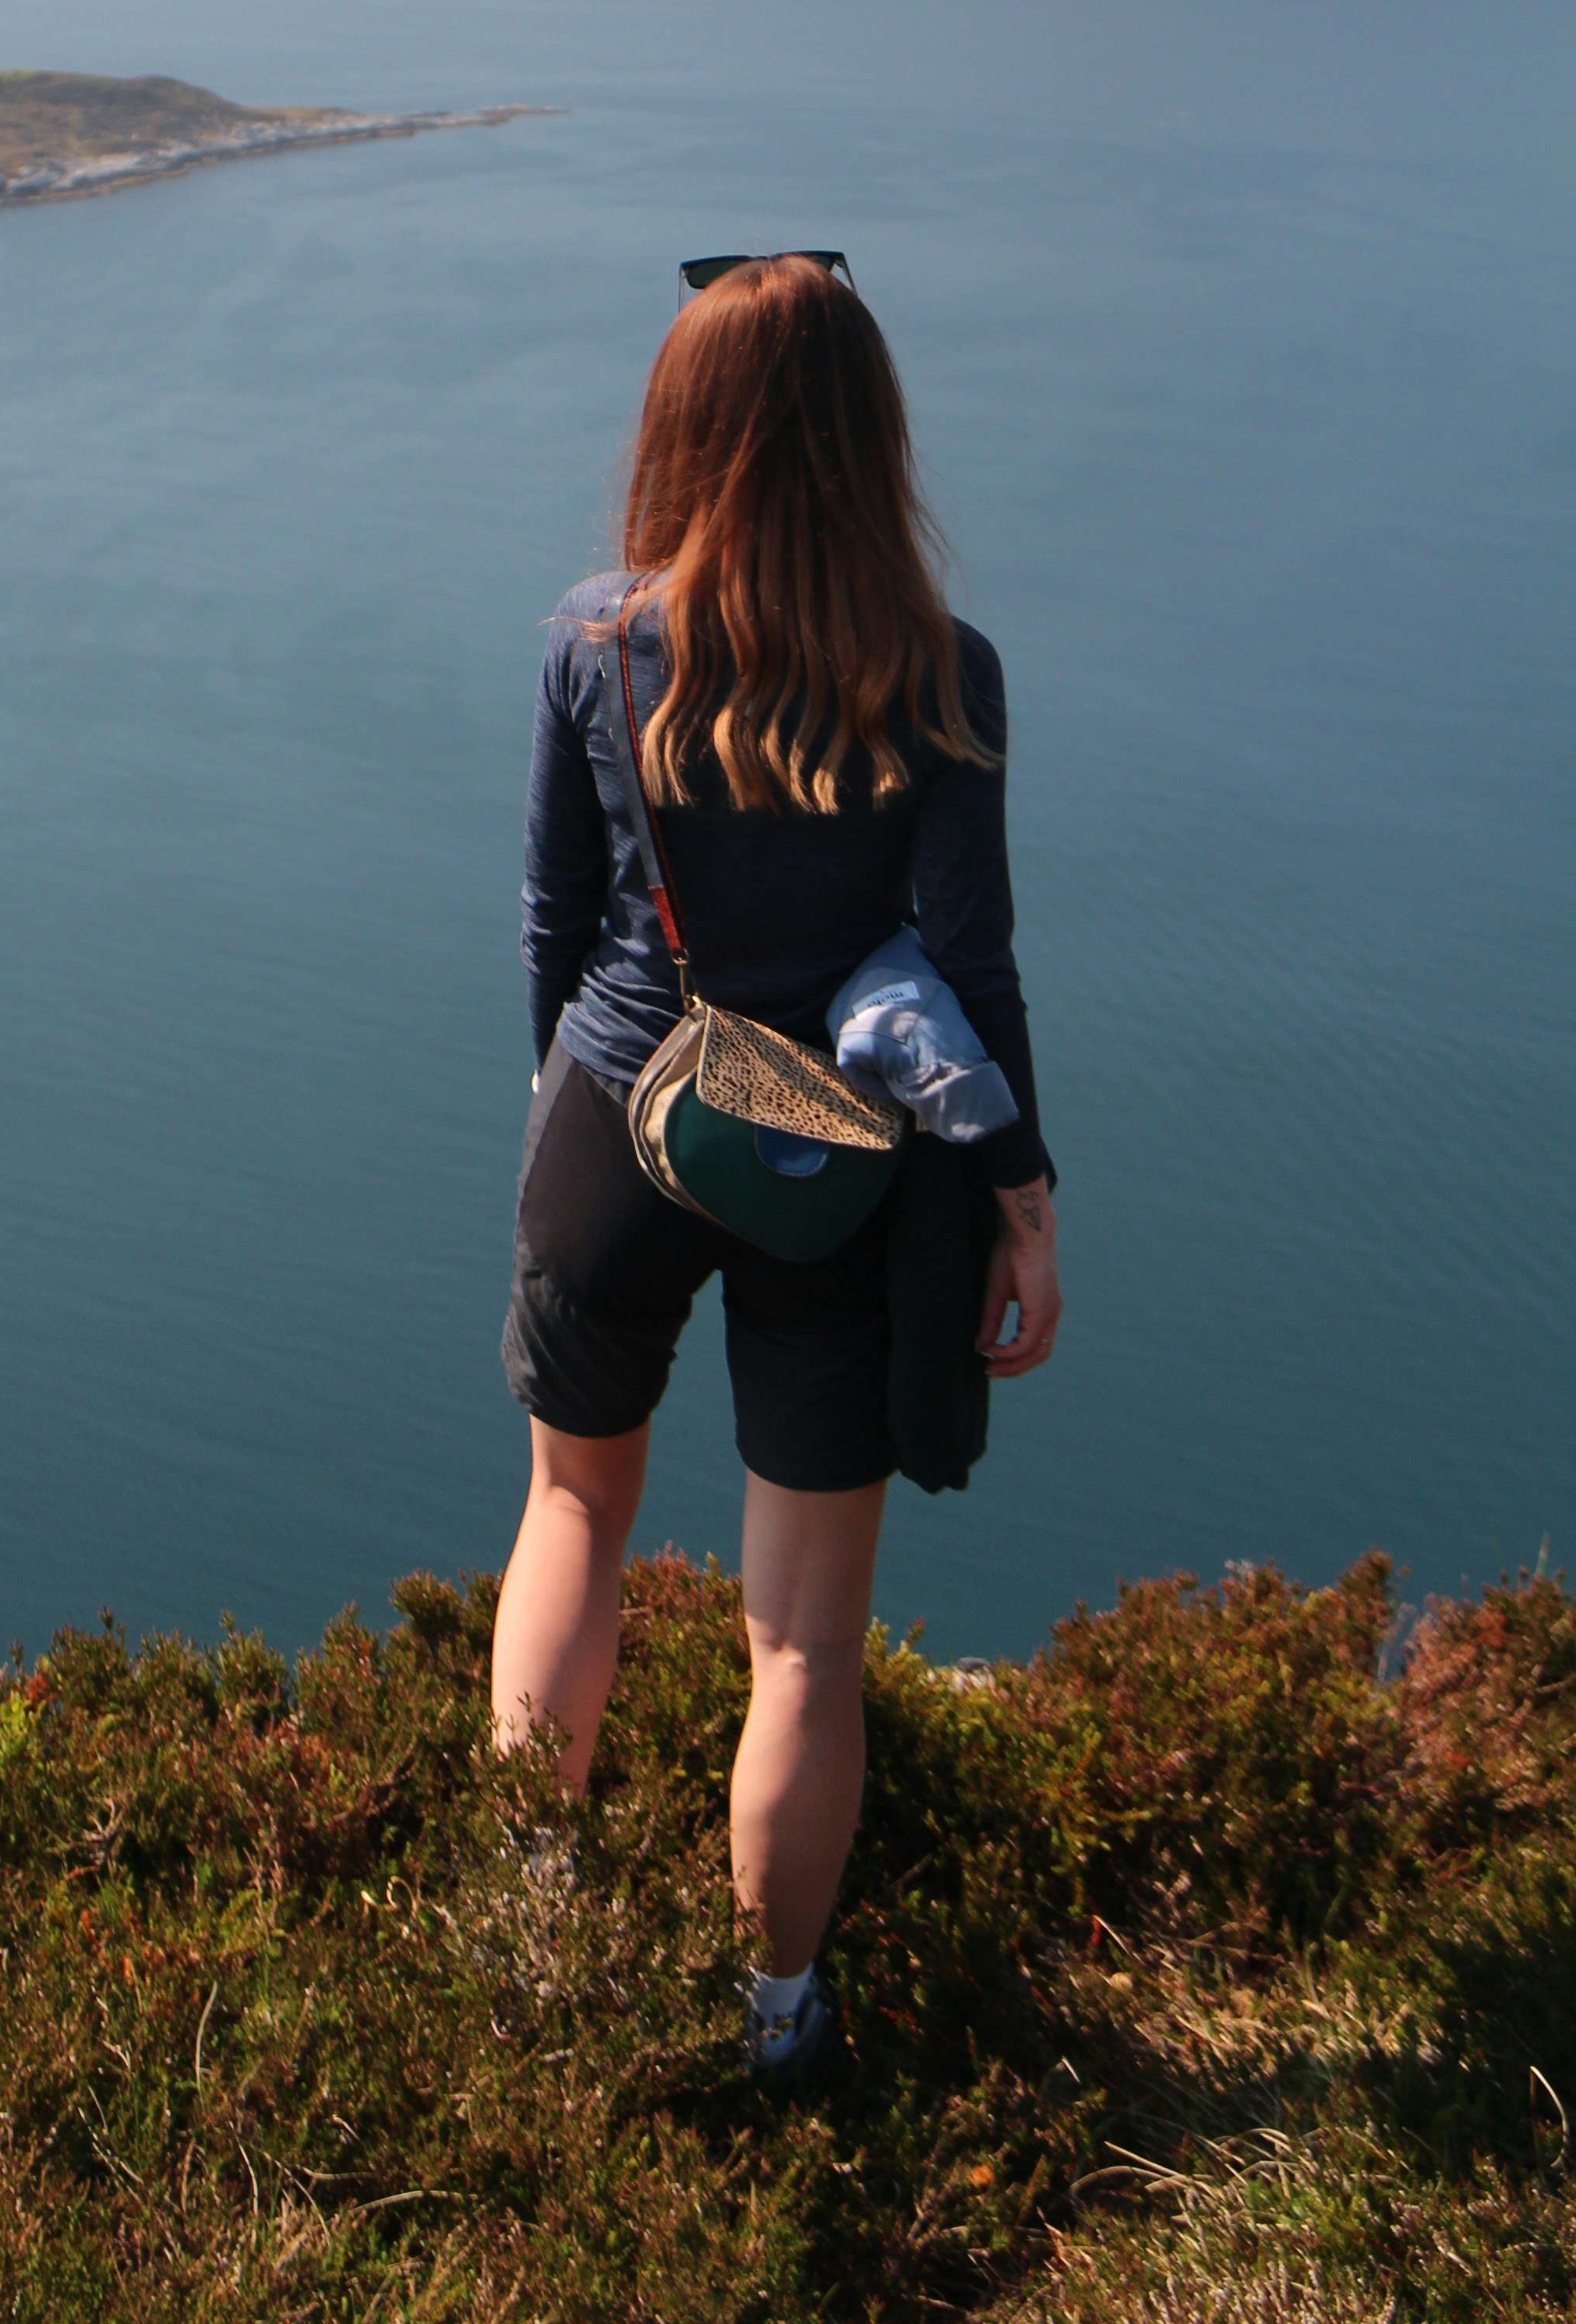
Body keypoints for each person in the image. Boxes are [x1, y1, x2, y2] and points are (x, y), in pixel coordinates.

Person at [490, 253, 1060, 2089]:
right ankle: (778, 2029)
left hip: (618, 1116)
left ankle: (517, 1940)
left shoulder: (596, 635)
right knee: (802, 1639)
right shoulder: (940, 670)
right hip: (840, 1167)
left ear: (682, 419)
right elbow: (972, 975)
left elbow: (554, 918)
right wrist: (1025, 1206)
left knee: (572, 1513)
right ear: (867, 434)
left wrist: (562, 1115)